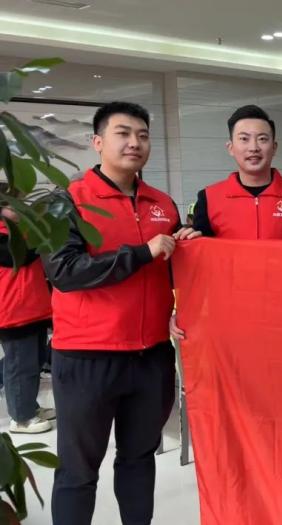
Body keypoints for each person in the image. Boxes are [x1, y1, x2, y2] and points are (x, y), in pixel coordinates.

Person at [42, 101, 200, 525]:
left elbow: (174, 268)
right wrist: (141, 253)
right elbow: (64, 272)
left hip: (150, 357)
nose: (135, 143)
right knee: (78, 471)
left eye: (143, 135)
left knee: (138, 459)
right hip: (86, 358)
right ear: (97, 142)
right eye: (123, 133)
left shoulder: (162, 203)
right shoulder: (66, 201)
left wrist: (188, 246)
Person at [192, 105, 282, 240]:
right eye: (244, 139)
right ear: (230, 148)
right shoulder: (209, 198)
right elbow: (199, 248)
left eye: (262, 139)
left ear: (274, 148)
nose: (253, 148)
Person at [0, 207, 55, 434]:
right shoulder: (6, 237)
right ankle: (21, 418)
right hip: (13, 313)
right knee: (19, 366)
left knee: (33, 363)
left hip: (33, 309)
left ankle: (29, 406)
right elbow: (20, 255)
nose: (20, 208)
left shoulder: (21, 231)